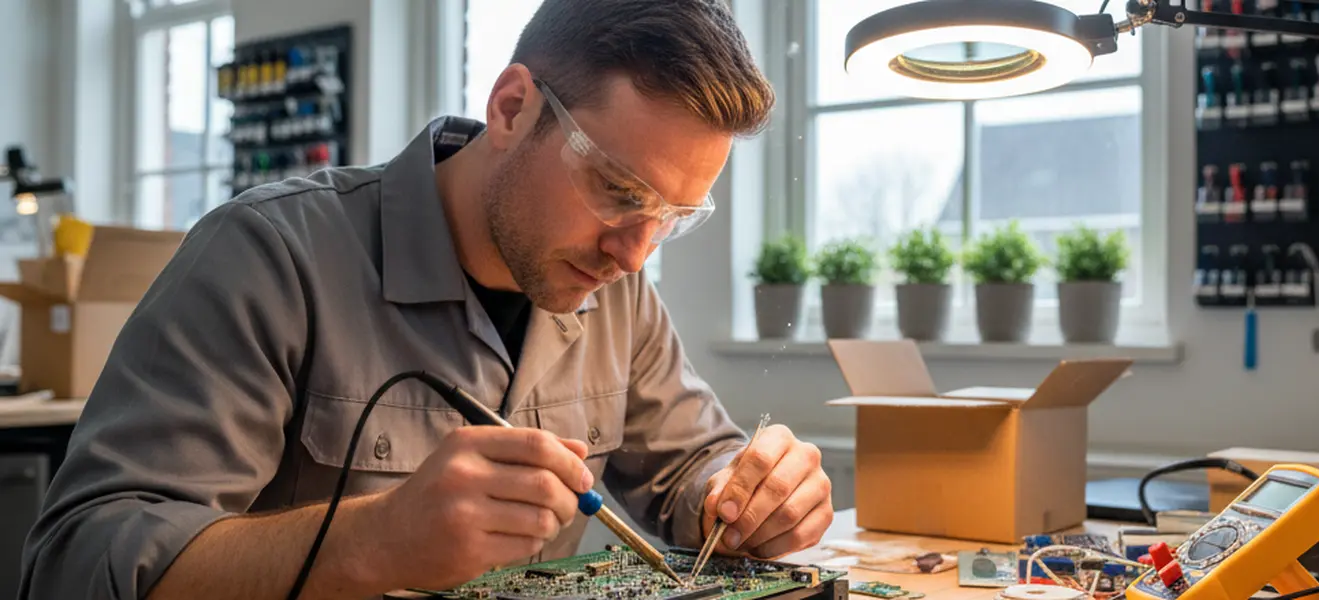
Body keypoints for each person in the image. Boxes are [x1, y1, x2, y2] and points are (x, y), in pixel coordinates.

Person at [18, 0, 835, 598]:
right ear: (512, 108)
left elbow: (694, 469)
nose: (634, 252)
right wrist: (370, 541)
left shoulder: (617, 290)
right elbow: (76, 564)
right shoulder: (269, 257)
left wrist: (748, 494)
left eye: (672, 218)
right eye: (619, 192)